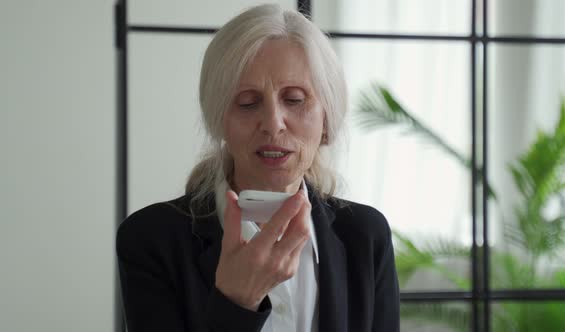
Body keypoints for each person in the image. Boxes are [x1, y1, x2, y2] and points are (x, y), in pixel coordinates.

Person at [116, 4, 400, 332]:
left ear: (326, 118)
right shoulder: (151, 239)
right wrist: (236, 301)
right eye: (248, 103)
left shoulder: (365, 236)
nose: (272, 124)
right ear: (219, 119)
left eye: (294, 99)